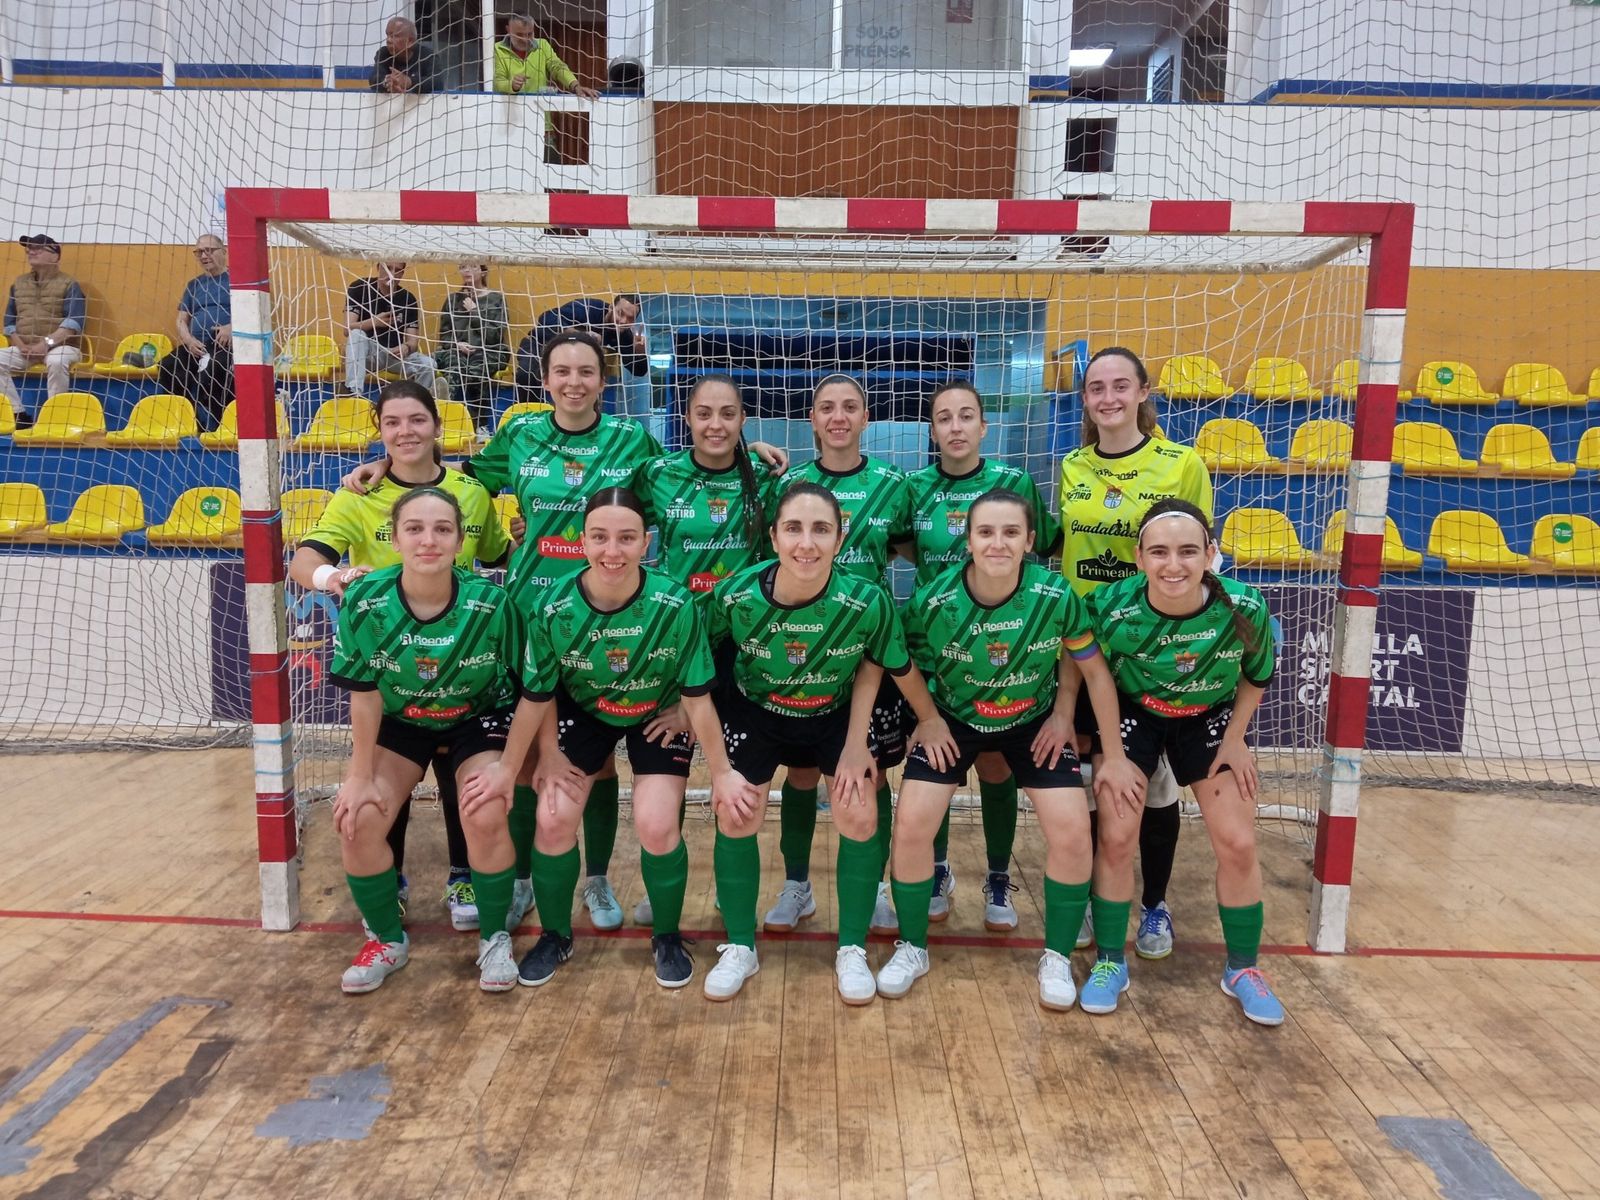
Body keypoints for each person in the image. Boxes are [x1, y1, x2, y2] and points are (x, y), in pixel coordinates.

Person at [343, 331, 785, 933]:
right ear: (545, 380)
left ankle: (598, 879)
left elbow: (696, 473)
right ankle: (521, 880)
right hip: (533, 620)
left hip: (617, 621)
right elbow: (457, 482)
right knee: (530, 764)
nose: (574, 381)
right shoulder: (520, 434)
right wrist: (386, 465)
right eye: (562, 371)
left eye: (587, 371)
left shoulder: (634, 442)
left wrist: (750, 451)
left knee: (595, 764)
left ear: (604, 381)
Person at [463, 488, 745, 989]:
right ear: (583, 542)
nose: (612, 551)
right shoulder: (552, 606)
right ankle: (555, 934)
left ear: (646, 542)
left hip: (654, 711)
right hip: (583, 711)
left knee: (656, 825)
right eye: (599, 537)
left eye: (626, 538)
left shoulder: (674, 603)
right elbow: (537, 694)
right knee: (551, 820)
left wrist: (722, 774)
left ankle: (665, 935)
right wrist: (524, 762)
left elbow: (699, 697)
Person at [881, 489, 1140, 1009]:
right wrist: (926, 719)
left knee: (1071, 830)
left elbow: (1094, 670)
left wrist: (1107, 750)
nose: (997, 542)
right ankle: (912, 946)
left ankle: (1058, 958)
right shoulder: (933, 599)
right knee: (910, 823)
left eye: (1010, 533)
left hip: (1032, 723)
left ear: (1028, 542)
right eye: (985, 532)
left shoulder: (1056, 594)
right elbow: (892, 659)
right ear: (968, 540)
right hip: (955, 718)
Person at [703, 483, 950, 1005]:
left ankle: (852, 949)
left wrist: (872, 739)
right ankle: (740, 947)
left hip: (833, 713)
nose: (806, 543)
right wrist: (681, 713)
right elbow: (698, 658)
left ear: (840, 540)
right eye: (793, 528)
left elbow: (879, 664)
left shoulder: (864, 599)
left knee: (858, 812)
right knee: (736, 812)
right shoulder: (735, 594)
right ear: (773, 537)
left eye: (821, 530)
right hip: (757, 711)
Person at [290, 380, 512, 933]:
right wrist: (334, 577)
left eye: (417, 420)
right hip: (393, 667)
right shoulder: (359, 495)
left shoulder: (471, 492)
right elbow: (304, 561)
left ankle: (464, 872)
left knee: (463, 776)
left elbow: (496, 554)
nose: (406, 432)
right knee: (387, 781)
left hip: (463, 661)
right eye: (393, 423)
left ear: (437, 426)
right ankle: (394, 883)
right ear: (380, 431)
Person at [329, 487, 548, 994]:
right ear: (396, 538)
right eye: (415, 529)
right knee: (356, 819)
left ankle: (494, 938)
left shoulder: (491, 603)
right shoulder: (365, 601)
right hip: (402, 720)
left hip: (478, 717)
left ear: (459, 539)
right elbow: (363, 696)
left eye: (442, 529)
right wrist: (358, 778)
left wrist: (509, 768)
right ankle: (387, 939)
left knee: (487, 807)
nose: (429, 540)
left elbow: (536, 690)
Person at [1085, 498, 1283, 1026]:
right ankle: (1109, 961)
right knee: (1117, 836)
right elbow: (1091, 676)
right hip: (1135, 712)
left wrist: (1236, 740)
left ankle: (1242, 969)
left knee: (1238, 842)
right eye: (1160, 552)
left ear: (1210, 554)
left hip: (1208, 715)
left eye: (1188, 551)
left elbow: (1257, 674)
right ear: (1139, 556)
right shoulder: (1110, 606)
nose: (1174, 565)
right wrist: (1110, 750)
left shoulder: (1245, 606)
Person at [1058, 346, 1214, 960]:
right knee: (1100, 782)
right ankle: (1102, 904)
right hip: (1085, 648)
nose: (1108, 398)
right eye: (1097, 388)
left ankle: (1153, 906)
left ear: (1144, 392)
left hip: (1154, 651)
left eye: (1121, 386)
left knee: (1153, 788)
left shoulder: (1181, 464)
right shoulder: (1071, 464)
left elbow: (1203, 553)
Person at [899, 380, 1063, 934]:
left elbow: (1043, 545)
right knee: (938, 756)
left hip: (1010, 648)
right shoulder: (912, 487)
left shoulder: (1013, 482)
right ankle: (939, 870)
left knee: (995, 764)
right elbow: (903, 545)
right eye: (943, 418)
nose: (956, 427)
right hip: (940, 649)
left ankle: (997, 875)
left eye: (966, 415)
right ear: (932, 429)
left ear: (983, 425)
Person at [626, 373, 781, 926]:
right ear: (686, 419)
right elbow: (606, 515)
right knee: (668, 773)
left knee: (733, 776)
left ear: (743, 421)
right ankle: (662, 889)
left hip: (740, 651)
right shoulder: (658, 474)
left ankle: (726, 885)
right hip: (671, 645)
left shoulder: (765, 476)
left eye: (729, 414)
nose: (716, 424)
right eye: (704, 413)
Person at [768, 375, 919, 940]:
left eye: (849, 407)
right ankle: (797, 885)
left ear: (865, 418)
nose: (838, 416)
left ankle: (875, 884)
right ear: (811, 418)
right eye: (826, 407)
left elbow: (910, 547)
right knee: (801, 772)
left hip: (869, 653)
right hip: (799, 652)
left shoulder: (893, 485)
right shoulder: (790, 483)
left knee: (869, 773)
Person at [1, 235, 86, 426]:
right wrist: (21, 345)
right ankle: (18, 415)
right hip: (26, 349)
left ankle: (55, 417)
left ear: (55, 256)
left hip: (62, 347)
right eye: (29, 248)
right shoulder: (18, 284)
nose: (31, 251)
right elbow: (9, 323)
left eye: (38, 248)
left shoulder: (69, 284)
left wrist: (45, 344)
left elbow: (74, 323)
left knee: (56, 361)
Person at [514, 294, 648, 411]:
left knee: (590, 384)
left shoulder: (623, 334)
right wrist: (581, 335)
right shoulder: (588, 308)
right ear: (611, 308)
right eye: (620, 313)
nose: (623, 321)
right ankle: (529, 417)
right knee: (527, 373)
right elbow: (546, 318)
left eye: (630, 318)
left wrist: (640, 352)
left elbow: (638, 371)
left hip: (572, 359)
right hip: (541, 344)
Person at [158, 233, 234, 430]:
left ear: (224, 251)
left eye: (209, 250)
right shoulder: (194, 285)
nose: (204, 255)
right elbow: (181, 319)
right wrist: (189, 341)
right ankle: (191, 418)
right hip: (196, 346)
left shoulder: (238, 281)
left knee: (214, 371)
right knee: (168, 365)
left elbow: (254, 312)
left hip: (224, 346)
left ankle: (219, 423)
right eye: (199, 252)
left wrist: (231, 328)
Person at [435, 262, 509, 435]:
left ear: (483, 271)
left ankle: (480, 426)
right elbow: (444, 334)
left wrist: (475, 312)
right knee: (454, 370)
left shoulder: (496, 299)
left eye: (473, 266)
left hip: (488, 351)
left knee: (476, 372)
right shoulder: (453, 299)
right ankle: (443, 425)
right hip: (456, 350)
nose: (467, 271)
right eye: (462, 266)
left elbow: (494, 336)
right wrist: (456, 344)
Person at [344, 262, 437, 398]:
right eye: (388, 268)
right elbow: (347, 328)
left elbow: (413, 342)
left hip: (393, 355)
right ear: (378, 267)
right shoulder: (359, 288)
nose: (392, 274)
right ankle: (353, 392)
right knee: (357, 334)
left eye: (398, 270)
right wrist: (374, 322)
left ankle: (417, 402)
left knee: (429, 364)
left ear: (402, 273)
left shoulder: (408, 299)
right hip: (366, 353)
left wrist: (406, 347)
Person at [492, 13, 599, 99]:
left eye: (529, 34)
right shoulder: (497, 49)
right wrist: (512, 85)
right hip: (507, 118)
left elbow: (557, 67)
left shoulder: (542, 45)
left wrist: (575, 85)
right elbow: (498, 82)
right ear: (508, 30)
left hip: (541, 117)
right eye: (519, 34)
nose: (525, 39)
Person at [370, 16, 441, 94]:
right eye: (387, 35)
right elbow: (374, 79)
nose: (388, 40)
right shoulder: (383, 53)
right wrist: (388, 82)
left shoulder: (428, 56)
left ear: (410, 41)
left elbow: (437, 82)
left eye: (394, 36)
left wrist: (409, 82)